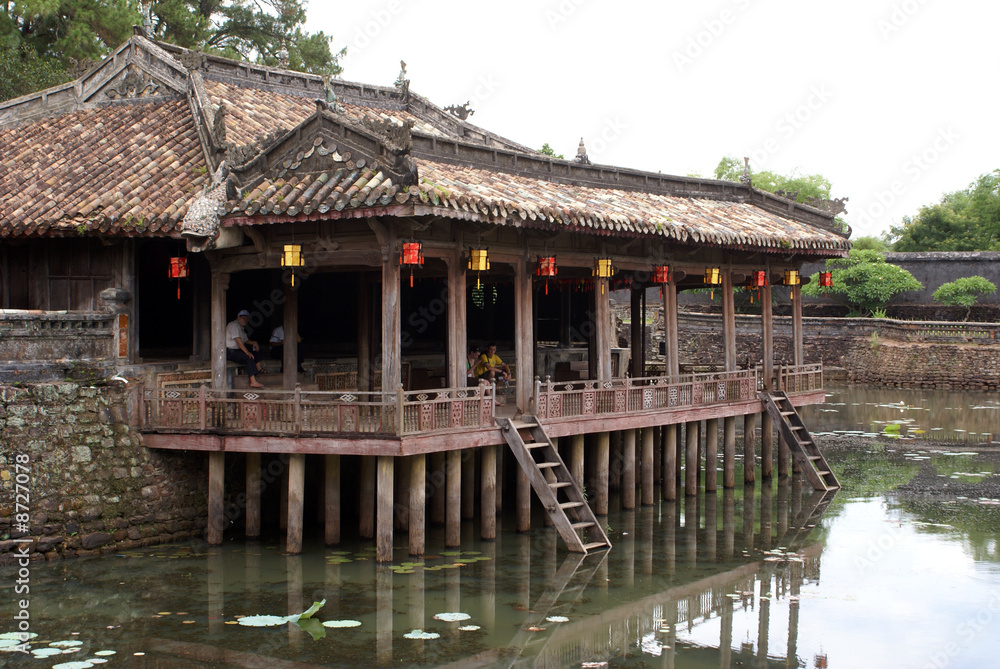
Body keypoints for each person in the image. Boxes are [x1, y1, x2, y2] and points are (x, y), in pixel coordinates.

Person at [226, 310, 265, 388]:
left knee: (254, 349)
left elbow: (245, 340)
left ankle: (259, 369)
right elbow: (239, 342)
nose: (245, 320)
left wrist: (254, 342)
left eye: (246, 318)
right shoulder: (233, 325)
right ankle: (253, 381)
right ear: (238, 318)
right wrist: (247, 353)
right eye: (243, 318)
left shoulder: (241, 328)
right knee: (248, 358)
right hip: (230, 351)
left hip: (237, 350)